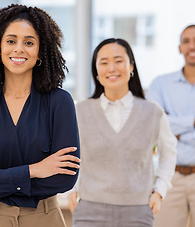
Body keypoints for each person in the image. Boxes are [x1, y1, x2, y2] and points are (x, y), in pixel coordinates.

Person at [0, 4, 80, 227]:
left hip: (45, 218)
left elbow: (65, 177)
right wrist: (35, 170)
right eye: (11, 41)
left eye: (29, 42)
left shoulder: (60, 103)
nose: (19, 49)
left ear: (40, 51)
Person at [68, 38, 177, 227]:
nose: (111, 68)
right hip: (89, 211)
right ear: (96, 71)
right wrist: (72, 189)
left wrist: (159, 192)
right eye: (103, 62)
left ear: (131, 67)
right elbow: (72, 155)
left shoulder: (153, 112)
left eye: (118, 61)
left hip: (138, 211)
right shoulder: (79, 111)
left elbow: (169, 154)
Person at [146, 24, 195, 227]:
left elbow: (165, 126)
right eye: (186, 41)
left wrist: (173, 125)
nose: (192, 46)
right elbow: (153, 125)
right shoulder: (160, 85)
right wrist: (192, 122)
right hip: (170, 178)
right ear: (179, 48)